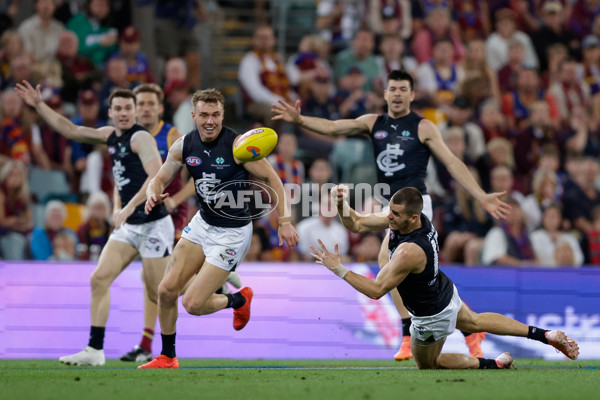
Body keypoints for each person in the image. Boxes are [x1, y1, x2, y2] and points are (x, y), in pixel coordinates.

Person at [272, 69, 511, 361]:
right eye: (392, 89)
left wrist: (481, 195)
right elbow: (335, 128)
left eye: (402, 89)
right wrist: (300, 120)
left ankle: (409, 329)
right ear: (385, 94)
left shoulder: (423, 126)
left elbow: (451, 162)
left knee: (386, 260)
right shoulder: (373, 122)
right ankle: (468, 328)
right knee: (420, 274)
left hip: (415, 205)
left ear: (412, 95)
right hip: (389, 203)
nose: (397, 94)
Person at [311, 186, 579, 369]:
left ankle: (492, 364)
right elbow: (356, 223)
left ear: (413, 217)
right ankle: (546, 335)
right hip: (443, 290)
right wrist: (340, 204)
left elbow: (376, 289)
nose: (388, 217)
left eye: (394, 214)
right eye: (390, 210)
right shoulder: (412, 220)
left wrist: (338, 268)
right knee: (474, 321)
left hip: (430, 315)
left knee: (427, 364)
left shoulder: (408, 252)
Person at [138, 88, 299, 369]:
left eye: (215, 115)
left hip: (232, 233)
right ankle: (167, 356)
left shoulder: (239, 147)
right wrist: (153, 192)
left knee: (193, 304)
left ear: (222, 115)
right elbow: (159, 178)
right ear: (194, 116)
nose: (209, 121)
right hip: (202, 224)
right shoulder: (183, 145)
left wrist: (284, 222)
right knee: (165, 291)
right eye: (203, 115)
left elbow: (274, 180)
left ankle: (238, 299)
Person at [15, 81, 173, 367]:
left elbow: (156, 177)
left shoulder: (142, 139)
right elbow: (70, 129)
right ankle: (95, 350)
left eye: (129, 108)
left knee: (158, 291)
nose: (124, 113)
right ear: (110, 112)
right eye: (119, 109)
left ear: (135, 112)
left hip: (153, 224)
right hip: (128, 224)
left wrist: (127, 207)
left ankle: (209, 281)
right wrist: (39, 105)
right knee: (99, 279)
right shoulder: (109, 136)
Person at [119, 83, 188, 363]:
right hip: (141, 216)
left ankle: (213, 280)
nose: (145, 108)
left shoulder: (172, 135)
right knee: (151, 280)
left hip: (170, 215)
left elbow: (197, 175)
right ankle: (147, 344)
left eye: (150, 103)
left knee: (163, 282)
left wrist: (175, 199)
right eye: (141, 104)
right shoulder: (129, 136)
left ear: (160, 107)